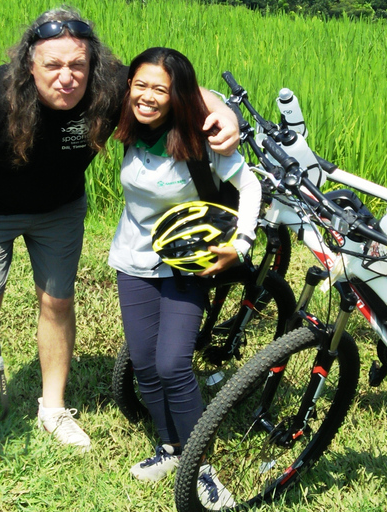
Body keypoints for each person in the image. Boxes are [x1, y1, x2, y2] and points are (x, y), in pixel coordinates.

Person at [0, 7, 240, 479]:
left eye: (77, 65)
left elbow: (175, 84)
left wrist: (224, 112)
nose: (67, 77)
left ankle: (53, 409)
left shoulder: (108, 82)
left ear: (93, 63)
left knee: (57, 301)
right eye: (53, 65)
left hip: (59, 209)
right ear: (29, 64)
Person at [107, 47, 260, 497]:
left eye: (161, 89)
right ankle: (171, 447)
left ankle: (201, 469)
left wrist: (240, 244)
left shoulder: (200, 139)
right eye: (141, 85)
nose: (148, 96)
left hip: (186, 264)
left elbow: (250, 186)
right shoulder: (128, 126)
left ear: (179, 95)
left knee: (173, 364)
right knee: (145, 366)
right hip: (132, 260)